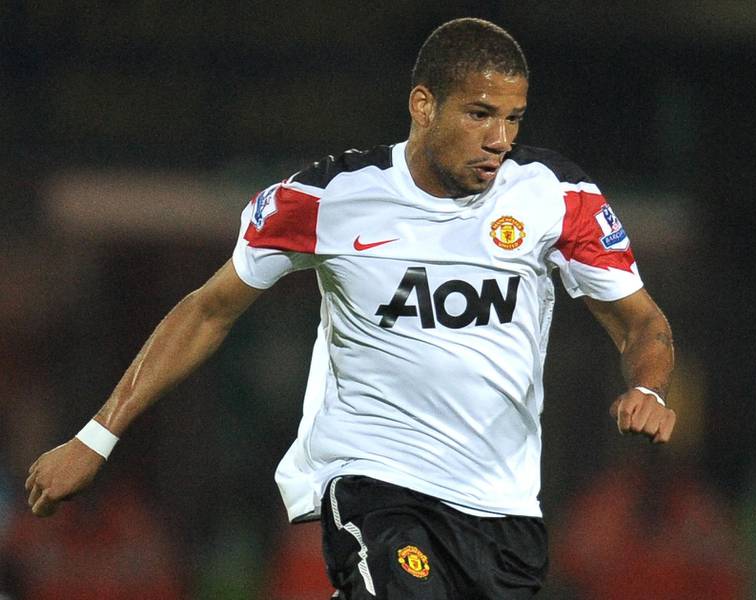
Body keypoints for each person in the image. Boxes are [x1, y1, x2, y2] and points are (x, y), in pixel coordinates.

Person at [25, 18, 676, 599]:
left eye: (514, 118)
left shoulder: (557, 197)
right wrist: (95, 438)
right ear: (424, 105)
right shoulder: (330, 196)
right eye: (480, 114)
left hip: (502, 510)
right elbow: (207, 310)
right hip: (375, 484)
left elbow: (641, 322)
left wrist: (648, 384)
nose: (499, 138)